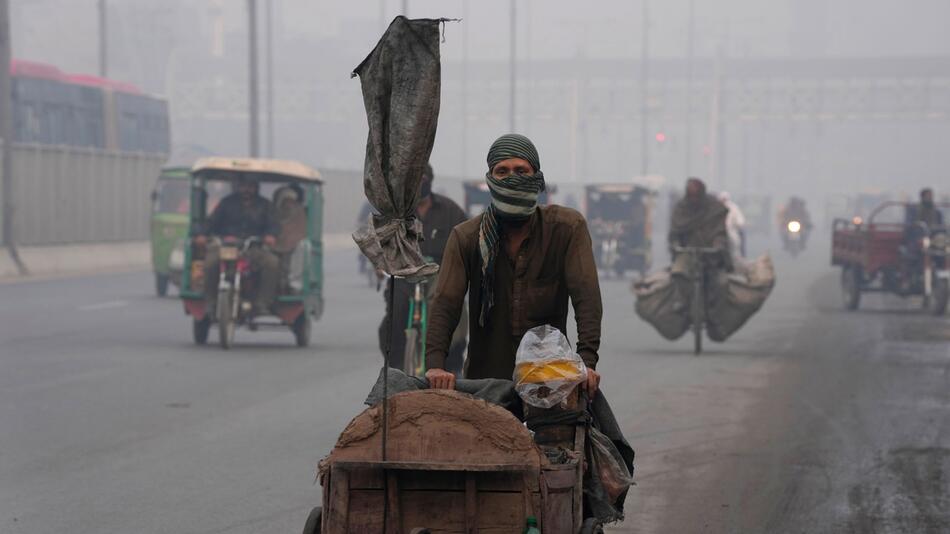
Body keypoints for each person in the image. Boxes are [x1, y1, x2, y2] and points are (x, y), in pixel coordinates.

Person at [423, 134, 603, 397]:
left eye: (521, 170)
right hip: (486, 383)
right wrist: (435, 366)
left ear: (536, 177)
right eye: (502, 171)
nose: (512, 178)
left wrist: (587, 362)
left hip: (550, 379)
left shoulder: (566, 229)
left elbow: (586, 297)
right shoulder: (467, 237)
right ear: (490, 179)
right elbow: (446, 303)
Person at [379, 164, 469, 374]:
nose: (417, 185)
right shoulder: (396, 214)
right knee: (395, 310)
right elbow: (381, 241)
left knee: (446, 306)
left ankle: (450, 363)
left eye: (421, 180)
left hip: (440, 272)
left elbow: (468, 241)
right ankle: (397, 369)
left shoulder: (451, 211)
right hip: (405, 274)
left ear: (430, 180)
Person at [196, 174, 281, 315]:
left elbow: (274, 225)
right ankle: (211, 302)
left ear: (256, 188)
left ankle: (262, 303)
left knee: (272, 263)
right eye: (243, 186)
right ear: (238, 187)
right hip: (227, 247)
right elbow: (210, 222)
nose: (246, 189)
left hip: (253, 248)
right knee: (210, 262)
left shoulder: (265, 205)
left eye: (250, 186)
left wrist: (271, 235)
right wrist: (202, 235)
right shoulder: (226, 203)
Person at [668, 178, 732, 271]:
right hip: (686, 255)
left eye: (696, 196)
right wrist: (676, 245)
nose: (694, 200)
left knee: (721, 282)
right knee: (678, 273)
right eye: (691, 197)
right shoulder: (681, 209)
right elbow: (674, 233)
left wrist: (718, 244)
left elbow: (719, 232)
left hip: (712, 257)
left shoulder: (714, 209)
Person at [717, 191, 747, 261]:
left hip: (731, 230)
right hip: (718, 232)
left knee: (735, 243)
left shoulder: (733, 207)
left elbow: (740, 219)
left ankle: (737, 260)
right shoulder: (715, 208)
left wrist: (739, 224)